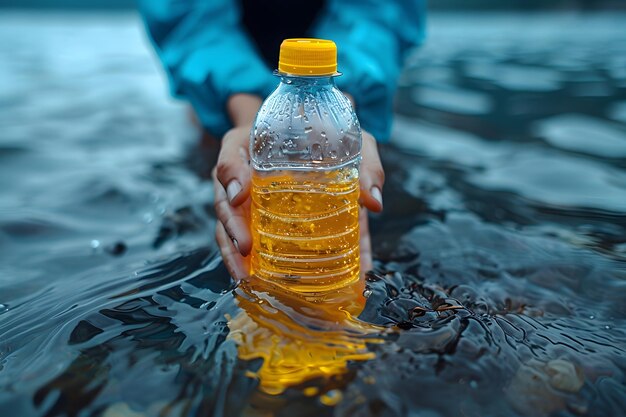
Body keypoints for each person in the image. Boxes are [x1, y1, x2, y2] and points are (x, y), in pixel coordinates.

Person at [138, 0, 426, 279]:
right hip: (231, 64)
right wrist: (246, 113)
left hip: (337, 69)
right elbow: (189, 18)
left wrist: (339, 111)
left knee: (361, 175)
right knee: (221, 169)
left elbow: (379, 11)